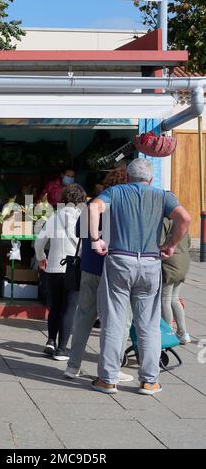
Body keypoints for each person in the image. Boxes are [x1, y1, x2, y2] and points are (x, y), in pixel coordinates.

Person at [89, 159, 191, 396]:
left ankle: (108, 379)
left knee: (114, 320)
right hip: (150, 262)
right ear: (151, 179)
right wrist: (171, 244)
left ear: (127, 178)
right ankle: (149, 381)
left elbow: (94, 207)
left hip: (120, 261)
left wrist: (96, 239)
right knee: (148, 324)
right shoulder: (163, 196)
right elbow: (184, 218)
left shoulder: (115, 191)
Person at [64, 199, 133, 382]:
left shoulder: (92, 205)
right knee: (121, 320)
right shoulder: (125, 204)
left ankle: (73, 365)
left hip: (90, 267)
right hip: (116, 271)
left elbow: (78, 231)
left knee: (84, 316)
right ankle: (112, 367)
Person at [35, 183, 87, 360]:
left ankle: (50, 341)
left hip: (53, 267)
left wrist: (41, 257)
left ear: (64, 199)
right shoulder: (85, 219)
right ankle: (62, 349)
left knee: (55, 306)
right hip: (74, 268)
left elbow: (39, 243)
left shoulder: (53, 217)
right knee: (70, 308)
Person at [161, 216, 191, 344]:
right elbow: (188, 242)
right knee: (174, 298)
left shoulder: (164, 221)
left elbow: (159, 242)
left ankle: (168, 333)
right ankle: (183, 333)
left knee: (165, 300)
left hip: (170, 263)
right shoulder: (181, 220)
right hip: (183, 262)